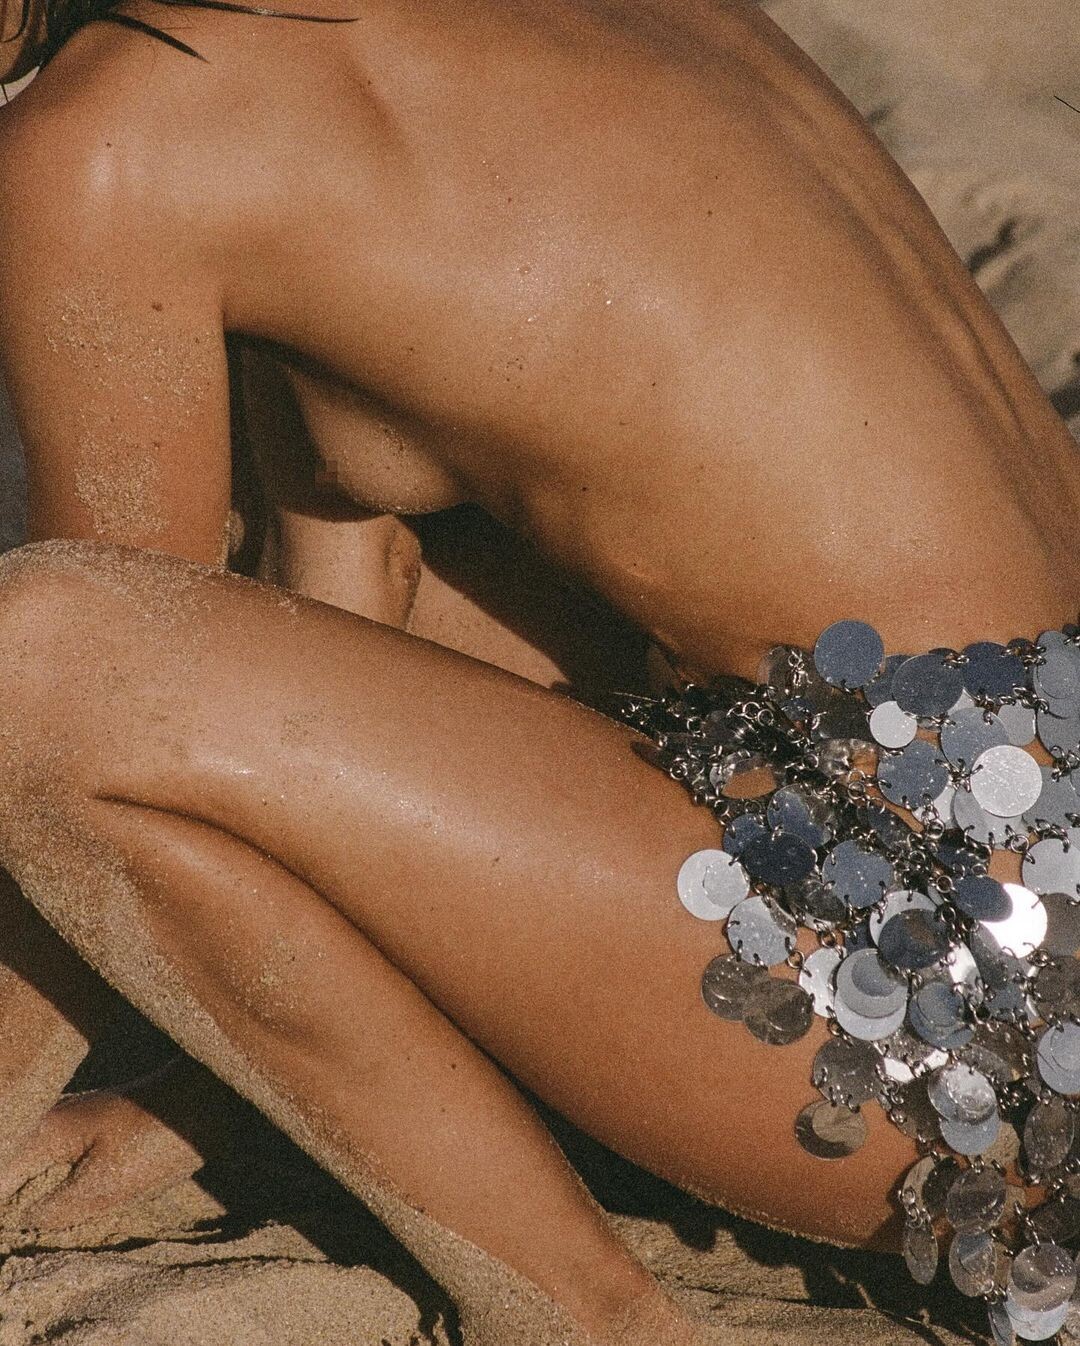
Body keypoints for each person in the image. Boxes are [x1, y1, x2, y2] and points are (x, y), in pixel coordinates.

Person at [0, 0, 1078, 1341]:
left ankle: (590, 1316)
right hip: (1025, 876)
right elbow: (335, 606)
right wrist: (202, 1095)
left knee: (38, 650)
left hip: (972, 1008)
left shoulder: (109, 144)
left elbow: (71, 714)